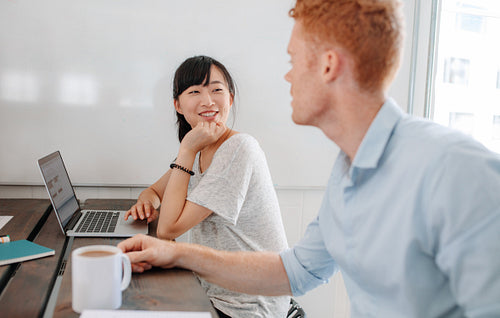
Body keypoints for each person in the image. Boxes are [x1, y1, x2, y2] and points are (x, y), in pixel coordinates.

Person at [119, 1, 500, 317]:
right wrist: (174, 252)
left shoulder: (456, 170)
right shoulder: (348, 170)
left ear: (328, 65)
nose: (287, 77)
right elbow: (298, 271)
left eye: (293, 59)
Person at [124, 55, 290, 317]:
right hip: (212, 291)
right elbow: (154, 191)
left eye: (216, 89)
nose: (208, 100)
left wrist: (187, 148)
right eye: (195, 91)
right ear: (178, 105)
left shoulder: (238, 149)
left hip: (248, 306)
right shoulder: (201, 150)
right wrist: (148, 202)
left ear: (230, 98)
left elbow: (167, 229)